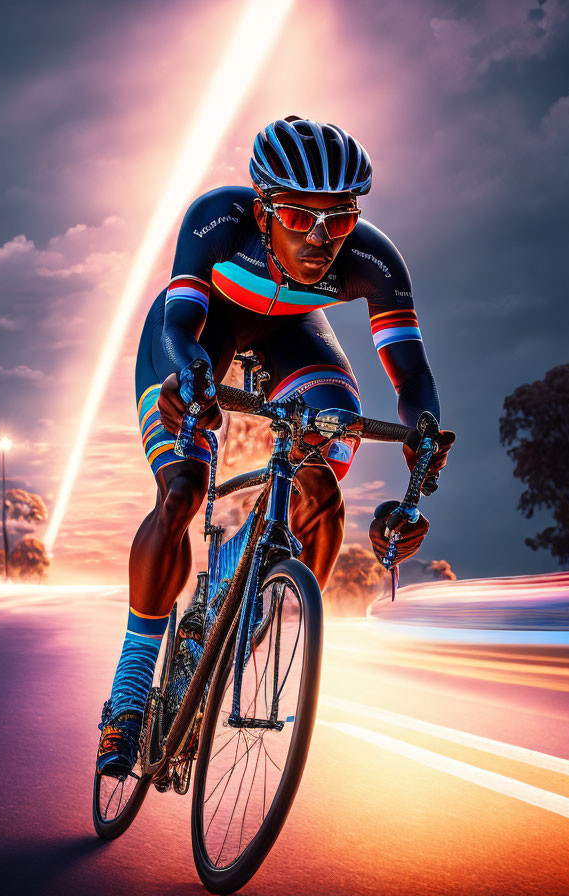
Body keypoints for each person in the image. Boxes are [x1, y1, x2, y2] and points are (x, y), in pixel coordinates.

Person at [97, 117, 455, 777]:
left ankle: (239, 574)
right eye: (296, 215)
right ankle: (129, 690)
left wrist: (423, 438)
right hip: (201, 330)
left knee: (323, 470)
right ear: (263, 208)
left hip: (292, 337)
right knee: (183, 490)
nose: (319, 240)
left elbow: (412, 377)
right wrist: (189, 376)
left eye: (338, 221)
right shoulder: (216, 219)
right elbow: (182, 325)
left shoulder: (374, 261)